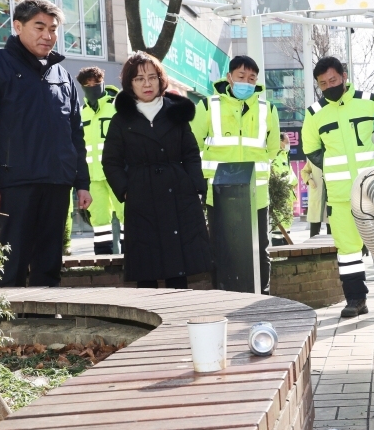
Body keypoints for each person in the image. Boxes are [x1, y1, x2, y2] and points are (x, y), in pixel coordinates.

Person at [0, 0, 91, 287]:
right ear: (17, 26)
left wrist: (81, 182)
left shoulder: (63, 76)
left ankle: (46, 324)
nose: (48, 36)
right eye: (39, 27)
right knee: (11, 264)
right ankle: (11, 329)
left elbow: (75, 133)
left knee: (49, 265)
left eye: (53, 28)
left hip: (56, 182)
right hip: (14, 182)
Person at [301, 56, 374, 318]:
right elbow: (311, 149)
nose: (329, 85)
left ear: (344, 76)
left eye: (333, 80)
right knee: (347, 252)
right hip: (341, 195)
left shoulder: (369, 102)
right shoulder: (314, 114)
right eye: (323, 83)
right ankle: (356, 300)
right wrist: (334, 171)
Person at [101, 52, 211, 289]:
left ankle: (180, 317)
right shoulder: (121, 120)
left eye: (152, 77)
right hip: (141, 194)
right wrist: (126, 190)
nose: (147, 83)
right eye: (139, 78)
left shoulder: (175, 113)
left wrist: (195, 185)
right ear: (129, 83)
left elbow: (191, 153)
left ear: (161, 80)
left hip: (178, 193)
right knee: (146, 267)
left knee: (178, 266)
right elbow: (111, 161)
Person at [192, 56, 280, 293]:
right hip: (219, 194)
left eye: (252, 78)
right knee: (221, 249)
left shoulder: (267, 109)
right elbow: (192, 144)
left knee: (260, 249)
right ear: (229, 77)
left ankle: (263, 297)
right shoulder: (208, 106)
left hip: (257, 194)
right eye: (241, 76)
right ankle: (224, 297)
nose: (246, 82)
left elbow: (272, 149)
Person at [77, 67, 123, 254]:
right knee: (99, 220)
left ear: (102, 82)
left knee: (126, 215)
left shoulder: (117, 106)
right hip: (93, 176)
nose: (92, 87)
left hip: (118, 172)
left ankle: (132, 258)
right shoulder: (80, 113)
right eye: (87, 85)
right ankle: (106, 263)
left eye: (95, 83)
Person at [270, 131, 297, 246]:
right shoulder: (275, 157)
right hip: (279, 199)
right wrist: (291, 181)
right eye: (287, 142)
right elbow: (277, 178)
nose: (288, 144)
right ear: (280, 142)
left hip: (287, 198)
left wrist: (292, 180)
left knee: (287, 230)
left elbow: (291, 174)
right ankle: (278, 259)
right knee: (278, 232)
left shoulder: (285, 156)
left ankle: (288, 258)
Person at [301, 159, 329, 237]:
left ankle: (332, 249)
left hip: (331, 196)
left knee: (332, 230)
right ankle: (313, 248)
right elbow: (304, 171)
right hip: (317, 196)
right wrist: (309, 180)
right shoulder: (313, 158)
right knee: (314, 230)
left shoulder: (332, 154)